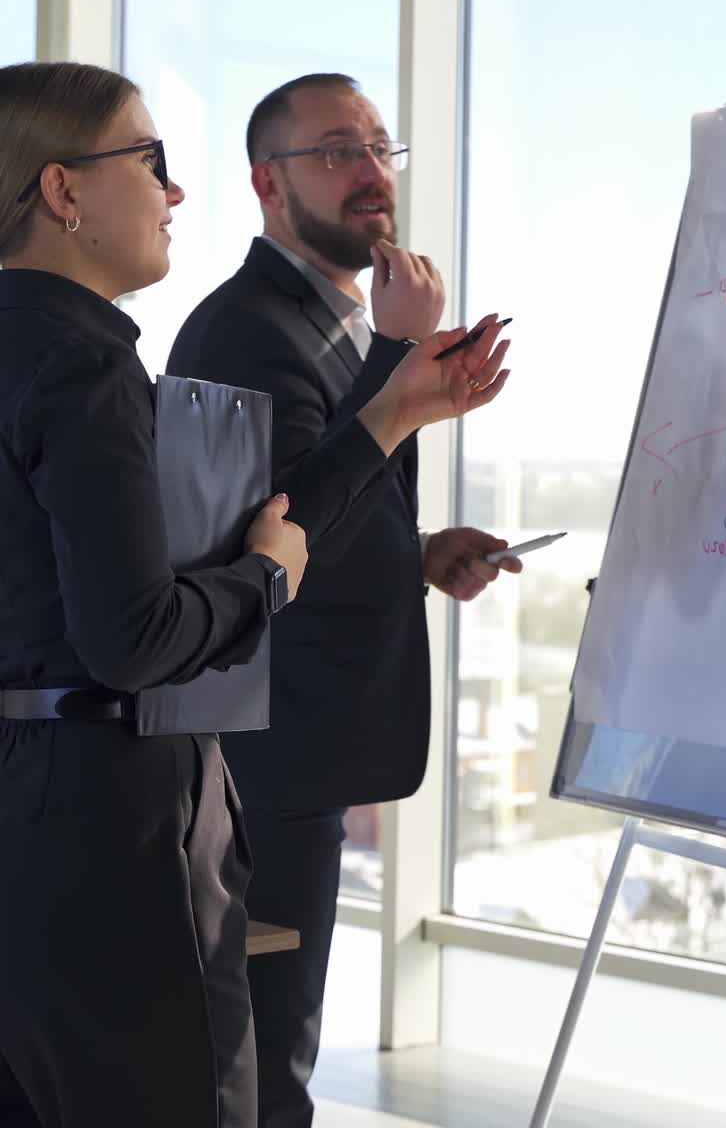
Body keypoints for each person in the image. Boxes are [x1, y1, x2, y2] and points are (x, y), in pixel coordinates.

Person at [167, 72, 521, 1127]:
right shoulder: (245, 328)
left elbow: (322, 511)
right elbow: (266, 537)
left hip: (301, 750)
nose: (372, 172)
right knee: (257, 1069)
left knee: (279, 1051)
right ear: (267, 183)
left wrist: (420, 552)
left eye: (378, 147)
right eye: (336, 150)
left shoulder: (329, 322)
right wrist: (398, 362)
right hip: (260, 755)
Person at [0, 60, 306, 1128]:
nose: (174, 190)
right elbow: (134, 637)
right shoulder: (82, 365)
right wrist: (266, 577)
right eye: (150, 159)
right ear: (62, 190)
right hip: (109, 816)